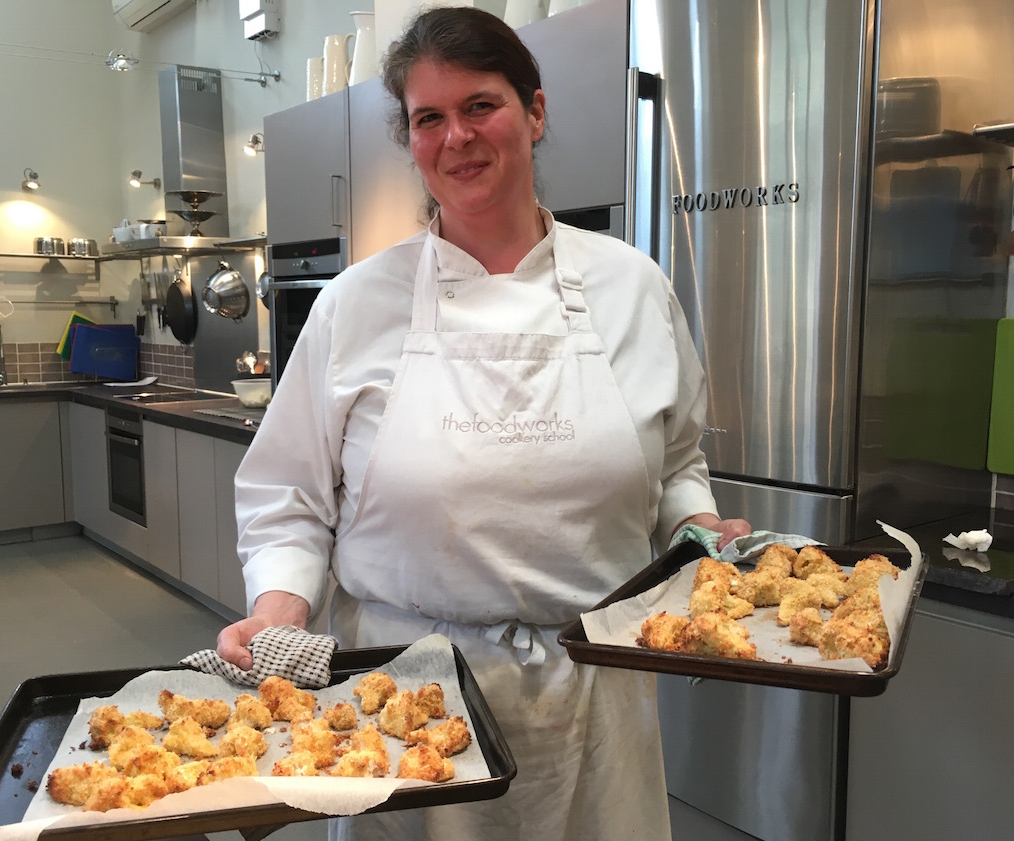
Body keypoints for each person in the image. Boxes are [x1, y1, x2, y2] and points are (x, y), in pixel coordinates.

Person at [217, 7, 751, 840]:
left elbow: (678, 459)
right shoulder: (354, 306)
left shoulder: (632, 286)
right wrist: (281, 604)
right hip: (405, 707)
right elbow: (288, 493)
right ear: (411, 138)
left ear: (534, 113)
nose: (457, 136)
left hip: (596, 699)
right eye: (430, 117)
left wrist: (700, 531)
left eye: (481, 105)